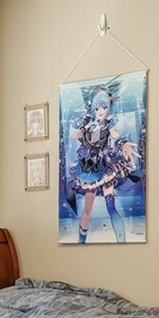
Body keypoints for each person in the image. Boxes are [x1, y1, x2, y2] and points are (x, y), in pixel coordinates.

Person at [66, 84, 140, 243]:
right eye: (97, 108)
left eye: (104, 107)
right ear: (92, 108)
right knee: (87, 211)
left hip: (105, 167)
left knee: (111, 207)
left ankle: (122, 244)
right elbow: (74, 134)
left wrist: (124, 144)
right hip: (89, 170)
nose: (100, 111)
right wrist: (83, 125)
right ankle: (80, 243)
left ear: (108, 108)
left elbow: (116, 135)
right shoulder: (86, 123)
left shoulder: (109, 125)